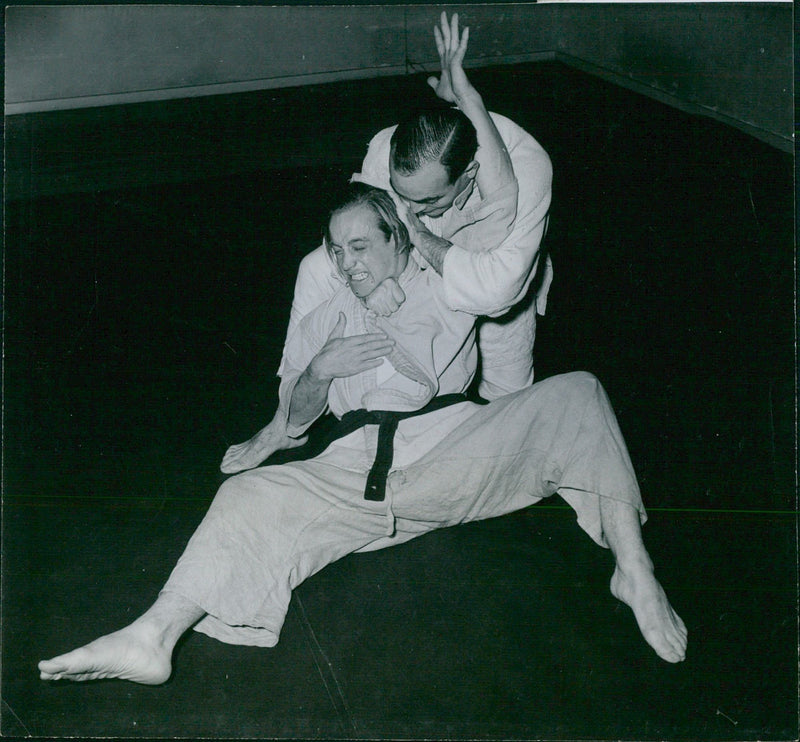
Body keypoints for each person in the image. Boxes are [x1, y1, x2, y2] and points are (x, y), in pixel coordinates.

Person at [39, 183, 687, 686]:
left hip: (452, 453)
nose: (346, 263)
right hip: (352, 470)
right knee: (246, 498)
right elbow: (293, 419)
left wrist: (394, 316)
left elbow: (427, 367)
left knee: (578, 391)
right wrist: (321, 368)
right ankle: (151, 638)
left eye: (361, 247)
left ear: (398, 242)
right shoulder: (323, 315)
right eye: (336, 249)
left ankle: (634, 572)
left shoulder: (445, 291)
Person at [220, 12, 553, 474]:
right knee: (316, 266)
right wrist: (370, 281)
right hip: (414, 262)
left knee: (508, 391)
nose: (412, 208)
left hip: (496, 276)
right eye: (403, 196)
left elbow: (492, 293)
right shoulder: (386, 147)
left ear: (468, 177)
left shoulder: (529, 170)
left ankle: (510, 446)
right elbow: (352, 221)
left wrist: (415, 236)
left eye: (429, 200)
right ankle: (285, 422)